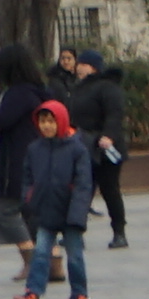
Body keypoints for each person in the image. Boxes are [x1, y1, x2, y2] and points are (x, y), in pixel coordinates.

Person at [2, 84, 94, 299]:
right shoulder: (35, 149)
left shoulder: (77, 149)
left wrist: (78, 213)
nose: (46, 126)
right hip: (45, 211)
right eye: (43, 121)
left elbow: (83, 184)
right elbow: (27, 177)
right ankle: (33, 293)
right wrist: (29, 198)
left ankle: (79, 293)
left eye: (51, 121)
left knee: (74, 255)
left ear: (61, 122)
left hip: (71, 212)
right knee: (41, 253)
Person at [54, 41, 133, 249]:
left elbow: (115, 114)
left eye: (83, 64)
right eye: (78, 64)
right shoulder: (78, 88)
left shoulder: (108, 87)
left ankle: (119, 232)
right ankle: (74, 232)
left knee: (110, 190)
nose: (78, 67)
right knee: (82, 191)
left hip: (105, 148)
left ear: (94, 67)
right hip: (84, 146)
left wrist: (109, 136)